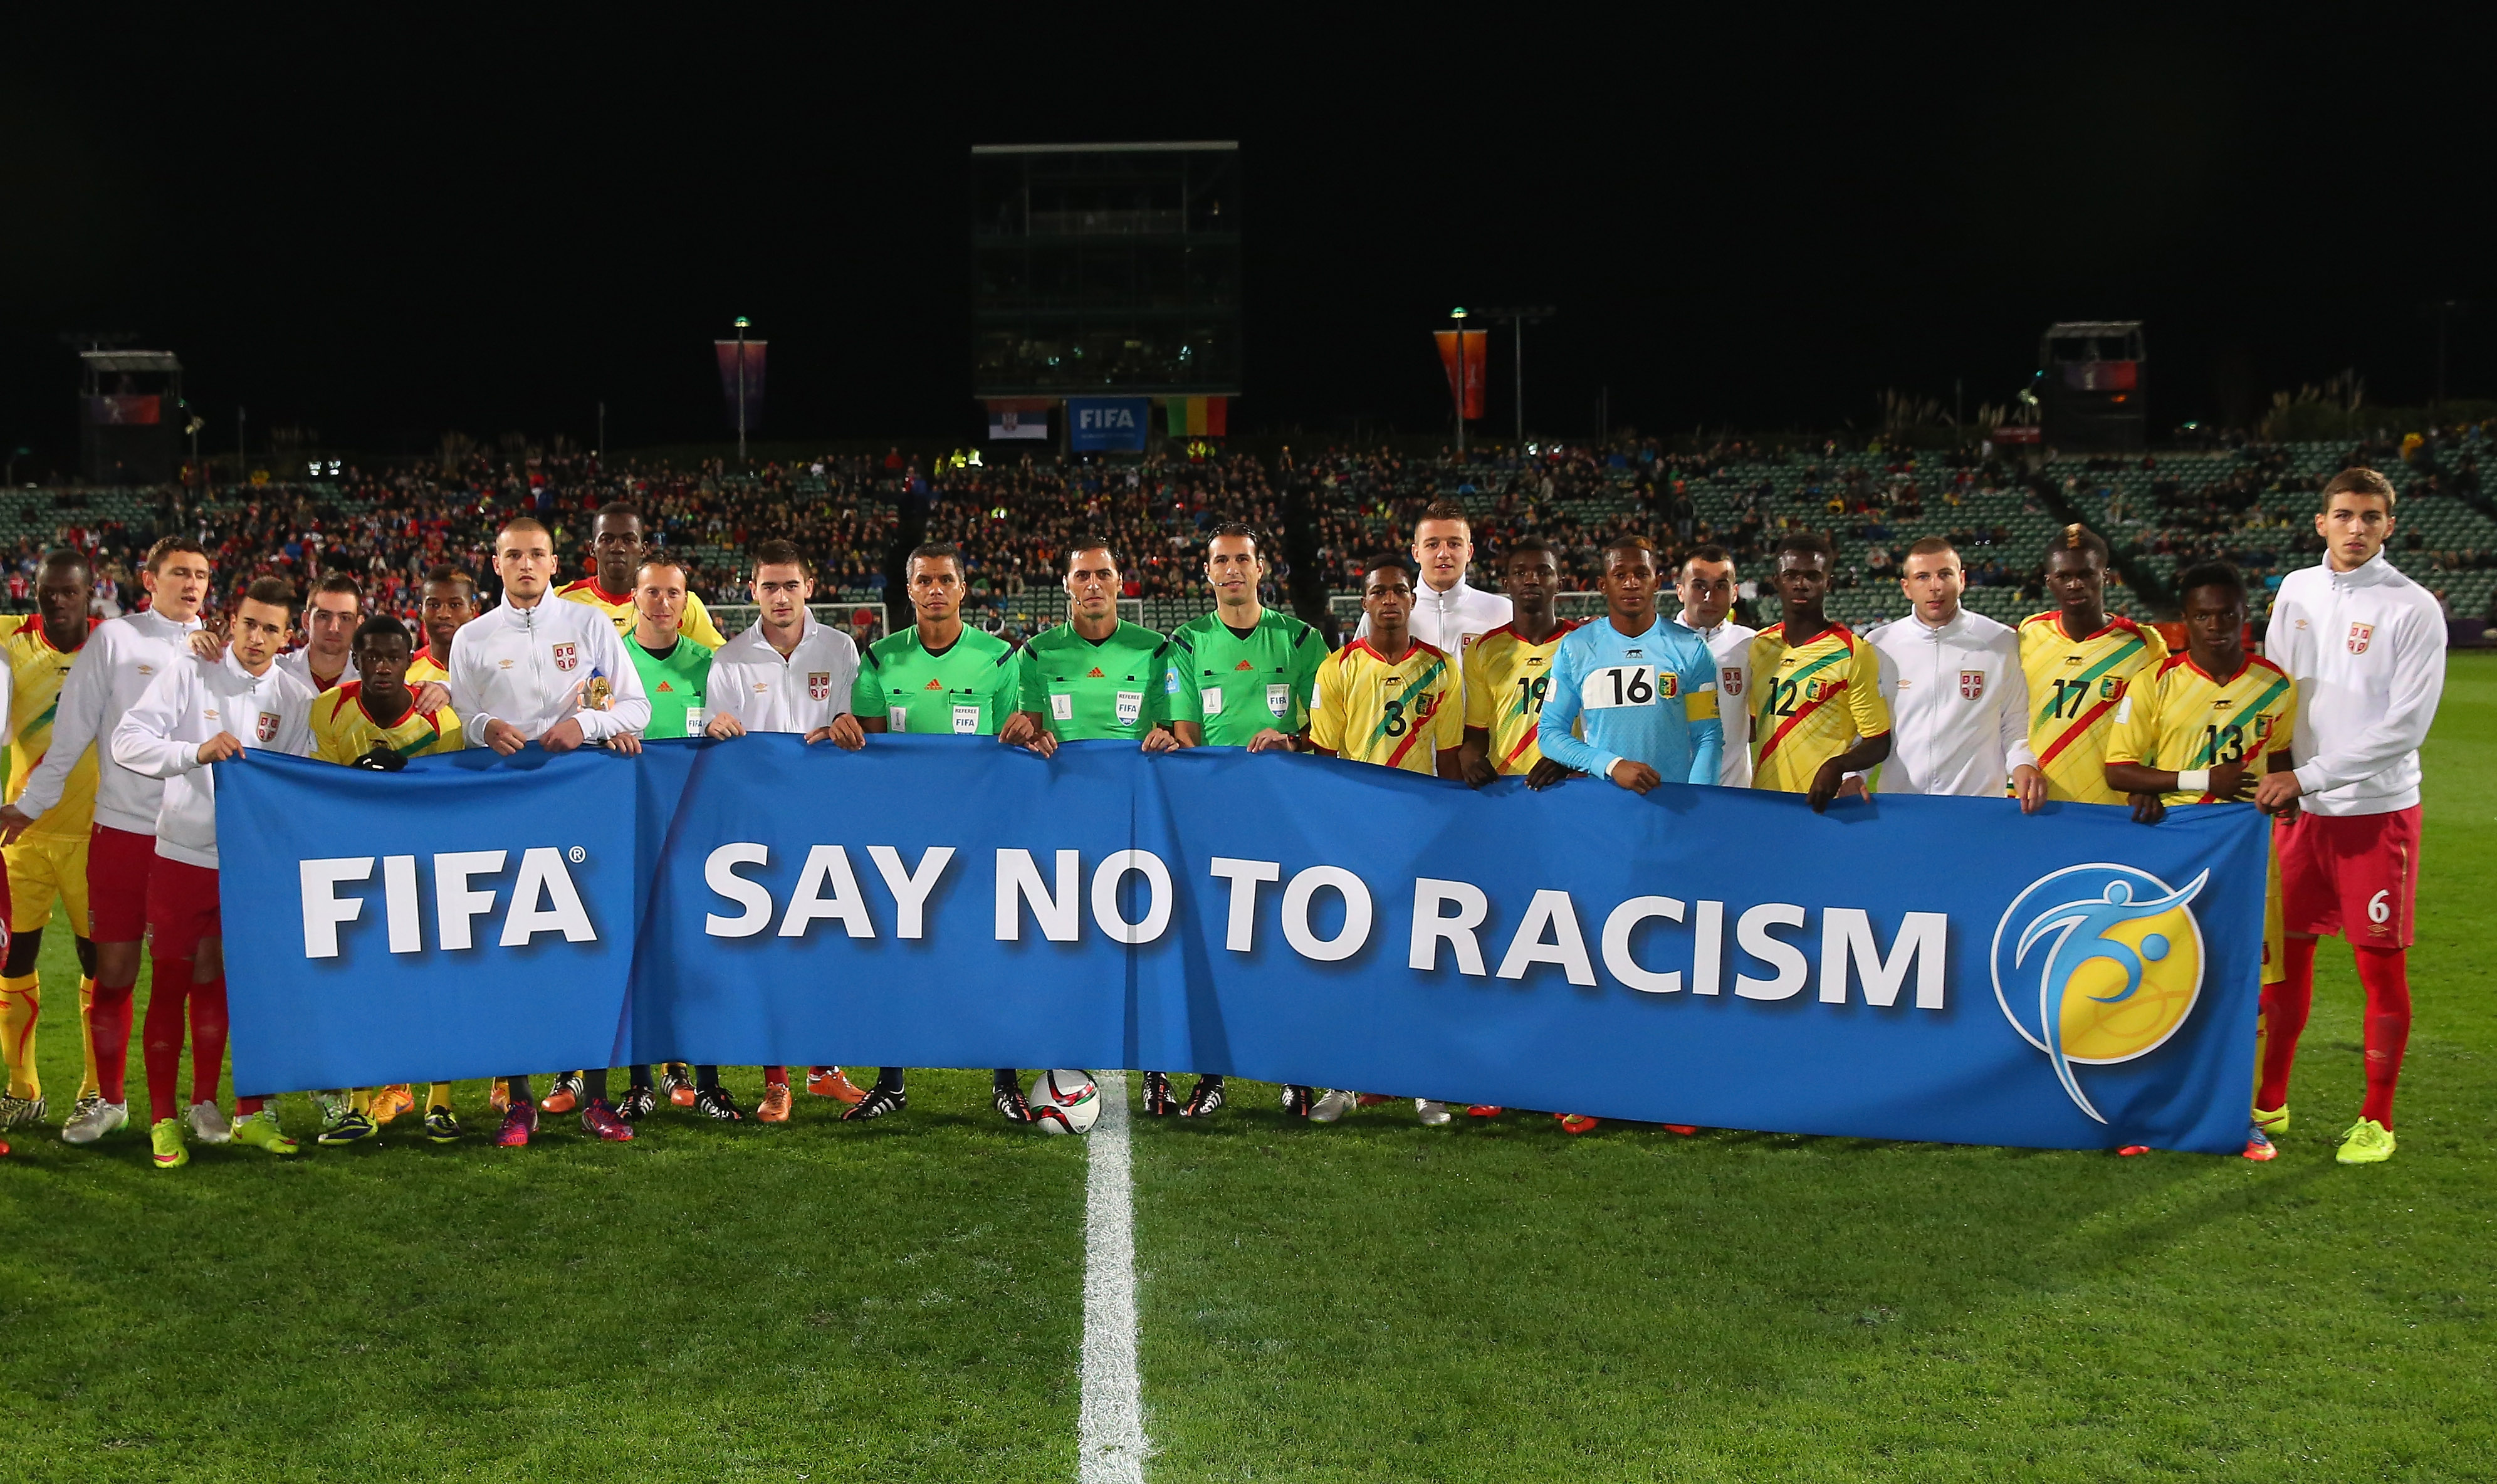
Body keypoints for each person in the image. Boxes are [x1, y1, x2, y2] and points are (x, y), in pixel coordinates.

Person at [2252, 468, 2448, 1166]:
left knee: (2379, 969)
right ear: (2320, 522)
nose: (2356, 528)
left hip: (2375, 813)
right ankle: (2270, 1098)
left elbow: (2406, 727)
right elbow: (2273, 687)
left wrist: (2305, 775)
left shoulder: (2413, 607)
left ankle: (2376, 1118)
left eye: (2370, 516)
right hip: (2300, 812)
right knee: (2286, 959)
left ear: (2389, 525)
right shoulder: (2297, 588)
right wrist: (2268, 769)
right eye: (2344, 514)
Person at [2, 536, 217, 1147]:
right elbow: (70, 735)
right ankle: (109, 1099)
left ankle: (201, 1103)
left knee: (199, 971)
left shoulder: (222, 651)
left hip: (193, 836)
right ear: (150, 578)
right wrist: (31, 804)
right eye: (179, 572)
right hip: (119, 829)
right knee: (113, 972)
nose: (191, 583)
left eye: (201, 574)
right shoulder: (115, 640)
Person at [450, 516, 651, 1148]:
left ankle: (596, 1098)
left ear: (555, 562)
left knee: (585, 945)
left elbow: (635, 706)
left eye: (537, 554)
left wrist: (588, 726)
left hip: (580, 805)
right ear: (497, 563)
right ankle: (519, 1102)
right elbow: (462, 712)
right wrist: (484, 727)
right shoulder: (474, 637)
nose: (527, 564)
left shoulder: (590, 625)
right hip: (506, 807)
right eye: (514, 555)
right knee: (512, 950)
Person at [109, 576, 315, 1169]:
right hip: (183, 857)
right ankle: (164, 1120)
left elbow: (297, 784)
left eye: (270, 629)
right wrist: (190, 753)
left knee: (245, 990)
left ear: (285, 637)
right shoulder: (190, 671)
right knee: (170, 985)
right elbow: (128, 740)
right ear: (232, 621)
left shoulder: (294, 698)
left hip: (251, 869)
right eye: (249, 623)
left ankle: (238, 1112)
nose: (256, 637)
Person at [1526, 536, 1724, 1137]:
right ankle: (1592, 1087)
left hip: (1670, 824)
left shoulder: (1689, 649)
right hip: (1601, 826)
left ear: (1656, 580)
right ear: (1604, 583)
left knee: (1670, 961)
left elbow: (1710, 736)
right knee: (1596, 959)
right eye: (1621, 575)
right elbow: (1552, 736)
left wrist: (1692, 804)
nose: (1632, 583)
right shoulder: (1578, 647)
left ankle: (1671, 1092)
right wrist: (1611, 766)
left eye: (1642, 573)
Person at [2103, 562, 2297, 1163]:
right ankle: (2149, 1113)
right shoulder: (2156, 681)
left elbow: (2285, 766)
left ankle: (2241, 1117)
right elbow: (2119, 769)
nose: (2217, 626)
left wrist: (2288, 799)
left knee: (2245, 989)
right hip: (2176, 849)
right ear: (2184, 622)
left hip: (2247, 854)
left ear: (2246, 617)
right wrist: (2186, 780)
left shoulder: (2276, 686)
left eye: (2228, 615)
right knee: (2160, 981)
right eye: (2204, 616)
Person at [995, 540, 1183, 1125]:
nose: (1094, 584)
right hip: (1059, 823)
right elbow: (1027, 726)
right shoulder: (1037, 653)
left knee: (1147, 942)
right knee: (1049, 943)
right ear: (1068, 585)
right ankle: (1021, 1067)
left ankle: (1157, 1073)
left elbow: (1175, 731)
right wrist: (1026, 732)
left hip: (1135, 821)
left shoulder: (1156, 651)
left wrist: (1169, 740)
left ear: (1121, 582)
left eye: (1104, 574)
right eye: (1083, 576)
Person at [839, 543, 1023, 1123]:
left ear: (963, 588)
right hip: (903, 835)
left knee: (995, 951)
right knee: (895, 955)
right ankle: (890, 1082)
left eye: (947, 579)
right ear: (910, 589)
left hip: (981, 829)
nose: (936, 589)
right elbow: (869, 752)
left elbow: (1013, 748)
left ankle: (1005, 1079)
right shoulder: (879, 659)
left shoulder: (1000, 659)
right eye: (925, 580)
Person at [1154, 523, 1326, 1119]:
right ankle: (1212, 1075)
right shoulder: (1186, 642)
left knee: (1291, 945)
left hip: (1286, 812)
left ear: (1262, 569)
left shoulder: (1302, 640)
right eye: (1221, 561)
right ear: (1208, 573)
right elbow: (1186, 733)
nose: (1232, 570)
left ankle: (1297, 1070)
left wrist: (1293, 741)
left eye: (1242, 560)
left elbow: (1326, 733)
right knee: (1211, 949)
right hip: (1214, 815)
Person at [701, 538, 866, 1122]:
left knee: (826, 942)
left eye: (789, 585)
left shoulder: (842, 649)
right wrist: (713, 727)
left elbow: (854, 722)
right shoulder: (729, 661)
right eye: (768, 586)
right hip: (760, 825)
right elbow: (717, 747)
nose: (779, 596)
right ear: (752, 592)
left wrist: (848, 722)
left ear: (809, 588)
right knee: (770, 948)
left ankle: (824, 1070)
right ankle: (777, 1082)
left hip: (827, 820)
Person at [1307, 554, 1463, 1127]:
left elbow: (1449, 762)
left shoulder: (1442, 669)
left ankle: (1427, 1085)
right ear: (1365, 601)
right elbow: (1324, 763)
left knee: (1422, 962)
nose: (1392, 600)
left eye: (1401, 591)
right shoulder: (1339, 668)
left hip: (1422, 837)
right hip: (1356, 836)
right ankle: (1341, 1084)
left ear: (1412, 601)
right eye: (1380, 592)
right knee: (1348, 961)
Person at [306, 614, 468, 1145]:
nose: (381, 667)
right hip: (355, 865)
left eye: (392, 658)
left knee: (434, 984)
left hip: (423, 865)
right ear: (357, 660)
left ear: (409, 661)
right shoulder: (328, 710)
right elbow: (324, 793)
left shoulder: (442, 724)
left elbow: (450, 804)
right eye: (371, 656)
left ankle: (439, 1104)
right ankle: (357, 1105)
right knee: (359, 984)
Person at [604, 555, 715, 1117]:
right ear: (634, 598)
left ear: (686, 599)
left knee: (687, 947)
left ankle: (679, 1065)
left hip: (694, 828)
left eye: (674, 593)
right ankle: (639, 1078)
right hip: (629, 824)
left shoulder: (710, 665)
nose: (663, 603)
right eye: (653, 593)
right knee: (633, 948)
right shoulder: (611, 662)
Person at [0, 551, 103, 1132]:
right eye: (47, 592)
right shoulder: (12, 639)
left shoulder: (113, 648)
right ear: (33, 593)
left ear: (89, 594)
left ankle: (94, 1089)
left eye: (68, 592)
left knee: (97, 960)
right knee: (14, 956)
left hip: (92, 834)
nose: (57, 602)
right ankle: (23, 1088)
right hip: (22, 833)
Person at [1860, 536, 2043, 807]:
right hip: (1901, 805)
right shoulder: (1879, 645)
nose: (1935, 587)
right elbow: (1865, 727)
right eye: (1922, 577)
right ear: (1906, 587)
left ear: (1962, 580)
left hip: (1979, 807)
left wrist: (2022, 763)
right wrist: (1854, 774)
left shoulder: (2000, 641)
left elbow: (2014, 720)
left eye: (1945, 574)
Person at [2018, 525, 2169, 807]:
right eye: (2064, 577)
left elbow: (2161, 722)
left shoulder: (2144, 644)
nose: (2075, 585)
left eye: (2086, 574)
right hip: (2036, 801)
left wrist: (2150, 784)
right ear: (2049, 582)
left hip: (2113, 803)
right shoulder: (2030, 633)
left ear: (2106, 577)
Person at [1747, 533, 1892, 812]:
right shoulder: (1761, 646)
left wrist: (1839, 766)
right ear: (1777, 582)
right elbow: (1753, 724)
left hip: (1824, 802)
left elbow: (1878, 740)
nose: (1801, 585)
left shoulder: (1853, 651)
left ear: (1829, 582)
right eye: (1791, 575)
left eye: (1812, 576)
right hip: (1765, 801)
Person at [1458, 536, 1579, 788]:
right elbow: (1477, 731)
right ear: (1506, 584)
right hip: (1505, 786)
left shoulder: (1583, 644)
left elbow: (1601, 726)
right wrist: (1469, 755)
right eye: (1520, 572)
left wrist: (1568, 760)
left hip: (1570, 785)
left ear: (1560, 584)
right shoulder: (1482, 650)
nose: (1531, 579)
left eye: (1543, 572)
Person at [1353, 499, 1512, 682]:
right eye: (1432, 545)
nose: (1443, 554)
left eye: (1454, 544)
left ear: (1470, 551)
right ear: (1416, 553)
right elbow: (1358, 682)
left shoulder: (1502, 612)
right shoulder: (1383, 614)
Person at [559, 504, 728, 651]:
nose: (617, 548)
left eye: (628, 540)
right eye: (607, 539)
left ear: (643, 549)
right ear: (591, 548)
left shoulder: (681, 603)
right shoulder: (562, 600)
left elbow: (718, 661)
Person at [1671, 544, 1757, 788]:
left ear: (1735, 593)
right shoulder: (1656, 644)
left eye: (1720, 586)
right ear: (1680, 591)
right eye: (1699, 586)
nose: (1709, 596)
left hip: (1735, 791)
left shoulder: (1752, 644)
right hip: (1672, 790)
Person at [276, 572, 362, 692]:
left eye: (345, 618)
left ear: (358, 624)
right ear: (306, 621)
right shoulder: (277, 672)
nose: (333, 628)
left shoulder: (369, 684)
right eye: (324, 616)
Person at [408, 565, 479, 686]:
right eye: (434, 605)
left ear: (472, 610)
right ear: (421, 610)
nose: (443, 614)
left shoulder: (494, 668)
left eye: (455, 605)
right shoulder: (406, 673)